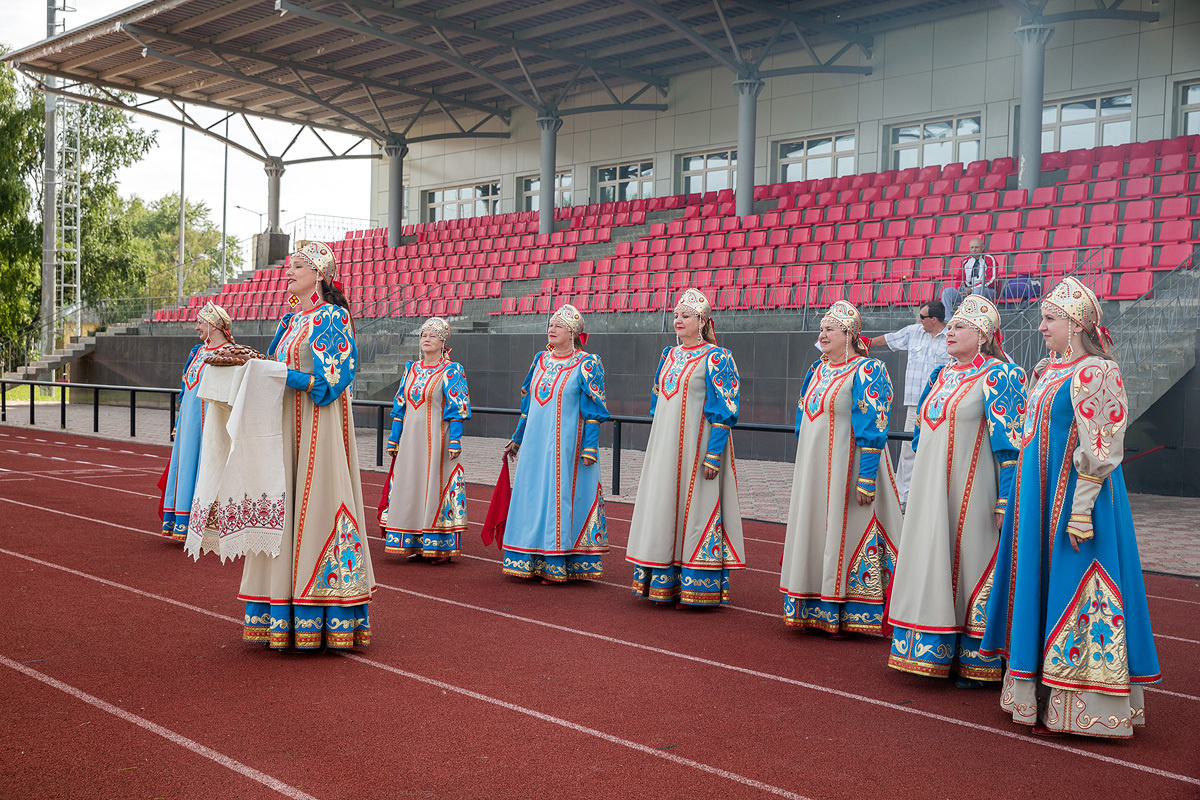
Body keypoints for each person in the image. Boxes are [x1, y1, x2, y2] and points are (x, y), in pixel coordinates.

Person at [980, 276, 1161, 737]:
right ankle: (1039, 695)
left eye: (1050, 319)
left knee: (1076, 582)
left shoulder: (1097, 372)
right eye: (1043, 318)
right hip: (1038, 501)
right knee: (1041, 583)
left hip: (1081, 504)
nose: (1042, 327)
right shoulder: (1046, 371)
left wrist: (1080, 508)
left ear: (1076, 324)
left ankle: (1087, 703)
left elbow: (1100, 446)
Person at [238, 241, 376, 650]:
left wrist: (285, 376)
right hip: (285, 424)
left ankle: (321, 613)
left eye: (297, 265)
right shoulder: (288, 321)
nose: (289, 271)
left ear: (319, 273)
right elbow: (278, 366)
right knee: (283, 504)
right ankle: (281, 608)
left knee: (316, 503)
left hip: (318, 424)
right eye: (288, 265)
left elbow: (333, 381)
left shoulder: (333, 317)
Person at [886, 296, 1026, 686]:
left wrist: (1006, 499)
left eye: (959, 327)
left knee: (970, 563)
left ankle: (976, 659)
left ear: (982, 336)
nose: (949, 332)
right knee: (931, 558)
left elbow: (1011, 446)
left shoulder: (1001, 376)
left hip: (974, 492)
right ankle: (931, 650)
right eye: (949, 326)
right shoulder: (942, 374)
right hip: (931, 492)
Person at [779, 300, 904, 636]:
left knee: (845, 525)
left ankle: (850, 608)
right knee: (815, 525)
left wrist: (866, 474)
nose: (822, 334)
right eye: (821, 329)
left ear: (849, 334)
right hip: (815, 468)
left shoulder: (867, 370)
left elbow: (874, 424)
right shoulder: (817, 370)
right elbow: (802, 416)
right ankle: (813, 601)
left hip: (847, 468)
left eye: (830, 329)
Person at [625, 288, 746, 608]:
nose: (678, 320)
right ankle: (662, 579)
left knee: (695, 509)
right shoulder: (669, 355)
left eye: (686, 316)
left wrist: (714, 453)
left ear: (703, 321)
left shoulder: (717, 358)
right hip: (665, 448)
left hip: (697, 448)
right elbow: (658, 402)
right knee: (663, 505)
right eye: (676, 314)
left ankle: (697, 585)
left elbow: (725, 410)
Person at [500, 304, 610, 584]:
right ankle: (528, 558)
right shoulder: (540, 360)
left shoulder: (587, 363)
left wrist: (590, 446)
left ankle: (556, 560)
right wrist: (517, 438)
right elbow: (527, 405)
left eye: (558, 325)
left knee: (558, 495)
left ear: (572, 332)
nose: (551, 329)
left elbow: (594, 410)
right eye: (550, 324)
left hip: (566, 446)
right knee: (532, 493)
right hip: (535, 445)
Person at [381, 317, 471, 564]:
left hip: (436, 440)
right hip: (410, 441)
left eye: (432, 335)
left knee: (434, 485)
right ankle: (414, 542)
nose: (426, 339)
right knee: (411, 485)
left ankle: (439, 546)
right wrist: (393, 439)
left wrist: (454, 440)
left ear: (443, 341)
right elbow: (400, 406)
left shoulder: (452, 371)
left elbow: (457, 408)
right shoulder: (411, 369)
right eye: (423, 335)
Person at [159, 301, 233, 540]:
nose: (196, 327)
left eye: (200, 322)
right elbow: (185, 389)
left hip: (212, 425)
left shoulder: (229, 354)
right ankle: (182, 522)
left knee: (208, 467)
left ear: (213, 325)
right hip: (189, 426)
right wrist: (179, 422)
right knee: (186, 465)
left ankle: (208, 527)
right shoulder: (196, 352)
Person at [867, 300, 949, 509]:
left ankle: (935, 497)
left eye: (922, 317)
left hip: (941, 405)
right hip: (914, 404)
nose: (919, 320)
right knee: (908, 450)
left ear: (934, 319)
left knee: (939, 451)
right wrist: (863, 342)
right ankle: (903, 498)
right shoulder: (913, 332)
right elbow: (888, 339)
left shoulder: (952, 335)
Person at [941, 237, 998, 311]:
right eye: (972, 247)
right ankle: (947, 319)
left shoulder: (989, 259)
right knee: (947, 292)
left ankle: (972, 319)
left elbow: (991, 280)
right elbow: (960, 279)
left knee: (976, 291)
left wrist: (971, 289)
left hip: (987, 290)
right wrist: (962, 290)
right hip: (968, 291)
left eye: (976, 247)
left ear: (982, 247)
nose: (974, 250)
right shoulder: (965, 260)